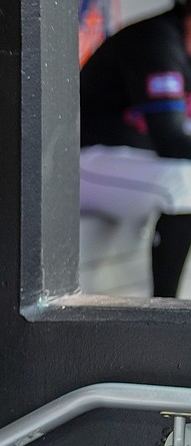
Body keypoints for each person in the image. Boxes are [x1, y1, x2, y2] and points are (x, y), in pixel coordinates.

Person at [79, 0, 191, 297]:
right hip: (77, 163)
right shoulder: (157, 39)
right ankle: (166, 312)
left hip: (123, 160)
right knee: (183, 184)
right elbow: (171, 141)